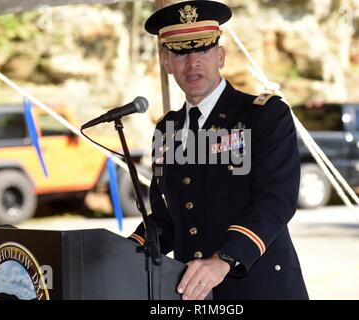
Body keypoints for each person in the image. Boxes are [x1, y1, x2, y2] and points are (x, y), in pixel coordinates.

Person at [129, 0, 308, 300]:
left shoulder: (263, 115)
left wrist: (224, 259)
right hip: (193, 293)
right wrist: (120, 250)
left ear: (220, 56)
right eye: (181, 53)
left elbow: (276, 201)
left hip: (260, 287)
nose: (193, 63)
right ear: (166, 62)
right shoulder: (166, 130)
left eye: (202, 50)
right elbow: (165, 220)